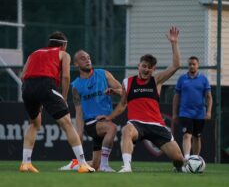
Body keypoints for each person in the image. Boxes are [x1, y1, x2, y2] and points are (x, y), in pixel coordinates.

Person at [97, 26, 185, 173]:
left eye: (149, 68)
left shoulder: (156, 80)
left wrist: (174, 43)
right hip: (137, 124)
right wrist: (109, 116)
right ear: (139, 66)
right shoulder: (127, 82)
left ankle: (180, 168)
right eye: (144, 66)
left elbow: (176, 65)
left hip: (157, 125)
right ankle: (126, 166)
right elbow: (123, 103)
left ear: (154, 70)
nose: (146, 69)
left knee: (179, 160)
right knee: (126, 130)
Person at [20, 32, 95, 173]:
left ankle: (25, 163)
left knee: (34, 124)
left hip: (27, 87)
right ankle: (82, 164)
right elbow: (66, 77)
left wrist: (35, 95)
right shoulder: (63, 54)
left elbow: (23, 75)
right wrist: (64, 98)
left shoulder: (34, 53)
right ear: (64, 45)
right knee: (67, 123)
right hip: (46, 85)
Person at [59, 50, 122, 172]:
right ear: (76, 64)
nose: (87, 60)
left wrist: (115, 92)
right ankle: (105, 166)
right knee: (112, 128)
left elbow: (122, 91)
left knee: (94, 166)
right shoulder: (76, 86)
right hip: (91, 123)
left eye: (88, 57)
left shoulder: (104, 74)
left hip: (105, 120)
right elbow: (79, 112)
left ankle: (76, 164)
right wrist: (79, 135)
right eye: (83, 58)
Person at [172, 56, 212, 160]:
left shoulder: (204, 79)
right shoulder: (182, 79)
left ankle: (195, 159)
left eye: (194, 64)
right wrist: (175, 113)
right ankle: (186, 158)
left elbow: (209, 97)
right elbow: (176, 97)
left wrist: (208, 112)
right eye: (190, 64)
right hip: (185, 112)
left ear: (198, 65)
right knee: (186, 135)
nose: (192, 66)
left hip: (199, 113)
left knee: (197, 137)